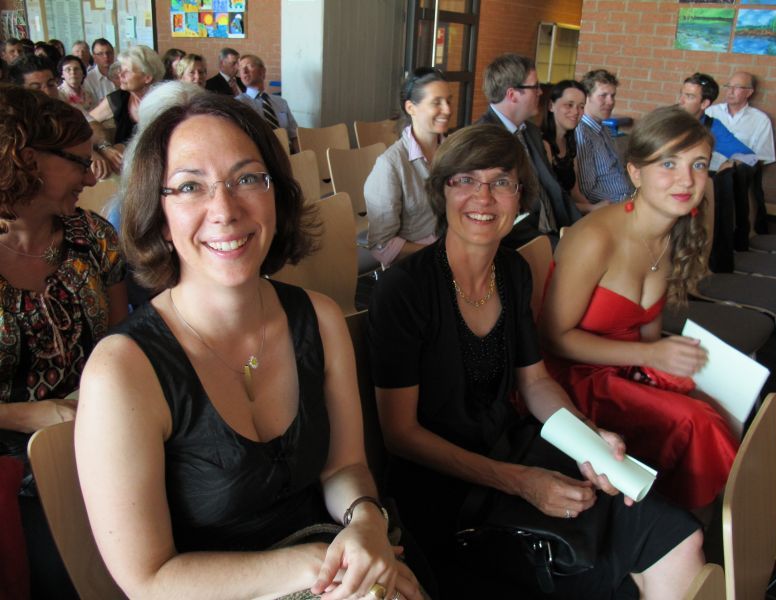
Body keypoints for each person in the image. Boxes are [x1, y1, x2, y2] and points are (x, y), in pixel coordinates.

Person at [74, 93, 421, 600]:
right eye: (190, 186)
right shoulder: (122, 370)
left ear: (276, 195)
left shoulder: (321, 319)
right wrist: (316, 565)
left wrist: (366, 519)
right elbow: (147, 580)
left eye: (247, 179)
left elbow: (344, 466)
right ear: (160, 215)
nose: (225, 210)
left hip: (329, 564)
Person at [369, 123, 705, 599]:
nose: (483, 197)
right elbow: (400, 435)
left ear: (520, 196)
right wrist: (521, 482)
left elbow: (535, 382)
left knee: (681, 538)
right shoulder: (405, 290)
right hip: (447, 492)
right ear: (441, 191)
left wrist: (587, 439)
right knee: (617, 568)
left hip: (517, 451)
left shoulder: (511, 271)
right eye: (465, 180)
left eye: (501, 182)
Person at [541, 106, 739, 512]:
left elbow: (647, 332)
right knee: (699, 422)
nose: (687, 179)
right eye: (668, 163)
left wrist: (665, 366)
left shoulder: (673, 233)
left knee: (717, 400)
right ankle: (701, 521)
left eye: (698, 164)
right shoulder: (596, 238)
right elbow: (552, 339)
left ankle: (681, 510)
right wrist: (652, 357)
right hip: (571, 378)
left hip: (624, 367)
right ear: (635, 173)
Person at [0, 84, 127, 598]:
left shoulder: (92, 237)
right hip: (10, 461)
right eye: (79, 161)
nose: (92, 175)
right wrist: (25, 415)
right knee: (60, 573)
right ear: (27, 159)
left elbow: (118, 342)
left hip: (93, 434)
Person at [475, 53, 581, 244]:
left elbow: (554, 189)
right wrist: (553, 244)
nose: (541, 92)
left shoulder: (531, 131)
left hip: (556, 232)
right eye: (535, 86)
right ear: (512, 94)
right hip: (525, 242)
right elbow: (499, 213)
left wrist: (580, 229)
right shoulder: (483, 139)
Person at [362, 67, 445, 267]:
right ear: (411, 108)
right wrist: (442, 253)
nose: (448, 110)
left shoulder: (454, 153)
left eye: (448, 101)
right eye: (437, 102)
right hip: (418, 267)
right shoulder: (390, 165)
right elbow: (382, 246)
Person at [88, 44, 165, 175]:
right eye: (121, 69)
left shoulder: (164, 102)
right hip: (122, 173)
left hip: (155, 171)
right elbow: (85, 122)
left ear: (147, 77)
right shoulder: (118, 99)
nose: (120, 75)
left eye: (127, 71)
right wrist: (104, 147)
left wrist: (125, 149)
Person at [575, 69, 635, 205]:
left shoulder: (604, 128)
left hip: (628, 197)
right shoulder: (582, 133)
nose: (610, 102)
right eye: (603, 96)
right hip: (612, 206)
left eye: (613, 96)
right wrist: (623, 202)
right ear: (586, 97)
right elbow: (588, 191)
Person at [678, 73, 757, 172]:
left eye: (689, 96)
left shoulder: (712, 127)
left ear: (704, 104)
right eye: (681, 94)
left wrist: (728, 166)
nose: (680, 101)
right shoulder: (665, 118)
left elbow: (750, 157)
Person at [541, 79, 597, 214]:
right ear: (551, 106)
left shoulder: (570, 142)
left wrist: (596, 212)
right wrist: (592, 208)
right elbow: (552, 201)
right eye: (569, 105)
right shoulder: (543, 143)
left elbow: (575, 193)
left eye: (581, 106)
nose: (576, 111)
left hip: (570, 214)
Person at [705, 71, 775, 165]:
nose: (731, 91)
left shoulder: (761, 120)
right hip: (707, 170)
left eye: (737, 87)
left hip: (737, 173)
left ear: (749, 92)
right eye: (729, 86)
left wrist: (735, 167)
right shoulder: (710, 112)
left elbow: (763, 157)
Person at [236, 54, 298, 150]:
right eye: (241, 68)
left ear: (262, 71)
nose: (244, 71)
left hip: (287, 152)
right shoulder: (238, 103)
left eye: (249, 66)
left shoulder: (281, 102)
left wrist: (300, 156)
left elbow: (294, 136)